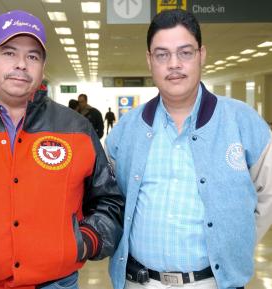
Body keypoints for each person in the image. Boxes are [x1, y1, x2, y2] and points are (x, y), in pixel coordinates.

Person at [0, 10, 124, 289]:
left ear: (42, 66)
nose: (21, 64)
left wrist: (84, 242)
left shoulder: (76, 128)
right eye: (9, 53)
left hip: (57, 283)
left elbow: (109, 202)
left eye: (33, 56)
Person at [107, 9, 272, 289]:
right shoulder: (128, 128)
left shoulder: (242, 121)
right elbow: (108, 198)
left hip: (213, 282)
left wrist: (232, 244)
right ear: (150, 60)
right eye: (162, 54)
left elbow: (268, 194)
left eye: (185, 52)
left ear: (201, 55)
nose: (174, 64)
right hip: (139, 282)